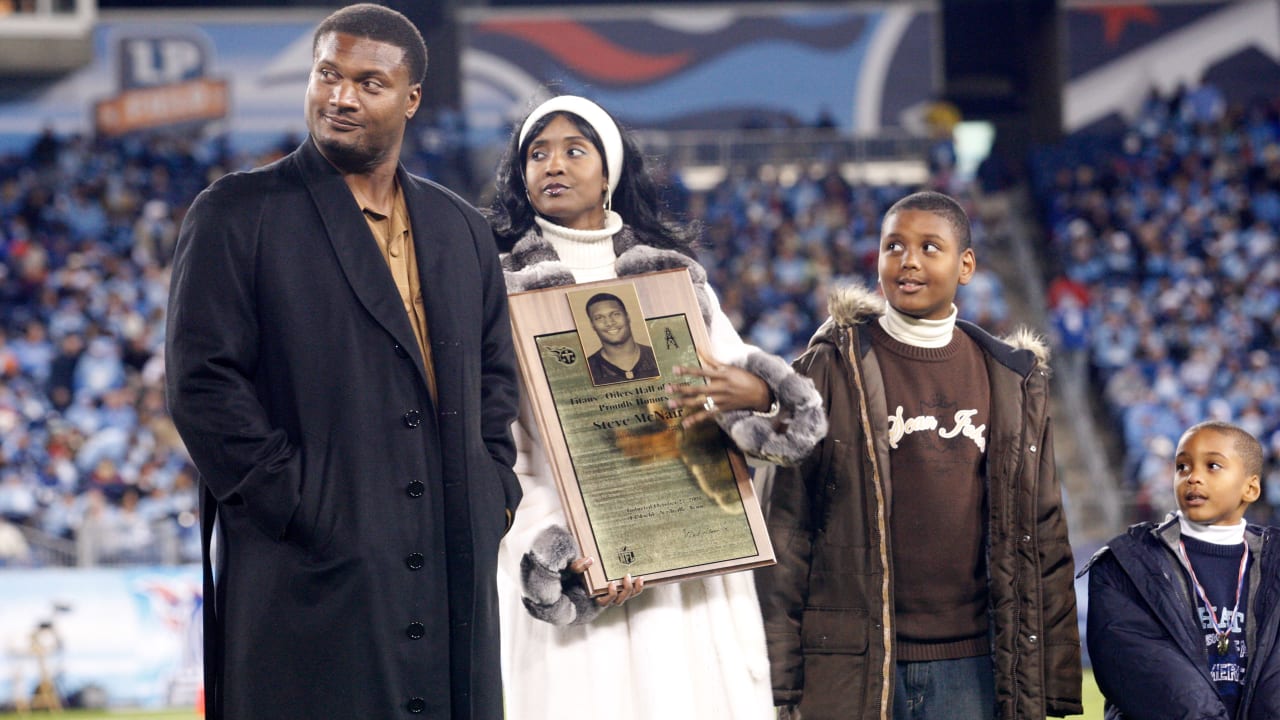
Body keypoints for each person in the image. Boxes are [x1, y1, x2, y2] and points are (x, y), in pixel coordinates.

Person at [164, 5, 520, 719]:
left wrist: (491, 495)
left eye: (369, 82)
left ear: (412, 98)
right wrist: (304, 507)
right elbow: (203, 384)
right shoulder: (238, 212)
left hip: (449, 565)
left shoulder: (461, 228)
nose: (341, 96)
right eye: (327, 74)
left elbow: (494, 384)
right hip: (306, 574)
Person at [487, 94, 827, 719]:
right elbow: (500, 449)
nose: (552, 165)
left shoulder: (676, 280)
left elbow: (736, 391)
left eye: (573, 150)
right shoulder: (497, 289)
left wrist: (759, 394)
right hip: (584, 570)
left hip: (689, 566)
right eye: (536, 154)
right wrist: (558, 553)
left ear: (609, 170)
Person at [758, 190, 1083, 719]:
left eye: (930, 247)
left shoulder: (1012, 380)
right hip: (851, 659)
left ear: (966, 265)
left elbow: (1042, 527)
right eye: (894, 246)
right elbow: (786, 529)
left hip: (973, 664)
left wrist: (1056, 679)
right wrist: (778, 682)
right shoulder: (825, 371)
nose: (908, 261)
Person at [1083, 420, 1280, 719]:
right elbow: (1147, 674)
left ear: (1250, 488)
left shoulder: (1274, 562)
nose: (1193, 478)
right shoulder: (1124, 564)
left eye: (1212, 465)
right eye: (1182, 467)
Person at [582, 291, 659, 384]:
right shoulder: (586, 370)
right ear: (592, 325)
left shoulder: (658, 356)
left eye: (615, 314)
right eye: (599, 318)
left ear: (627, 317)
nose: (610, 323)